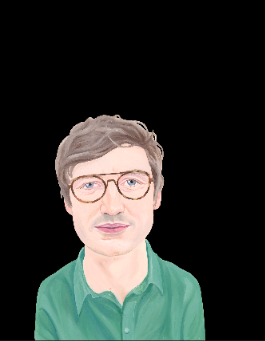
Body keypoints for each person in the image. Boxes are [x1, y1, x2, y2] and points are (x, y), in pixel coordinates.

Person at [36, 115, 204, 340]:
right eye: (89, 184)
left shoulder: (184, 289)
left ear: (157, 196)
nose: (112, 207)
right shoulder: (52, 294)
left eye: (132, 182)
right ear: (68, 202)